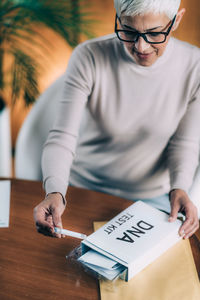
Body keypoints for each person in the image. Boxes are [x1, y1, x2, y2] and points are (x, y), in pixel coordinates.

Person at [34, 0, 200, 239]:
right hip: (82, 189)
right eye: (129, 31)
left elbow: (184, 143)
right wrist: (56, 192)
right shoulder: (89, 56)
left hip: (153, 199)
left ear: (176, 21)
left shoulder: (194, 66)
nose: (140, 46)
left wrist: (180, 187)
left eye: (154, 33)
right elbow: (62, 136)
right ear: (118, 16)